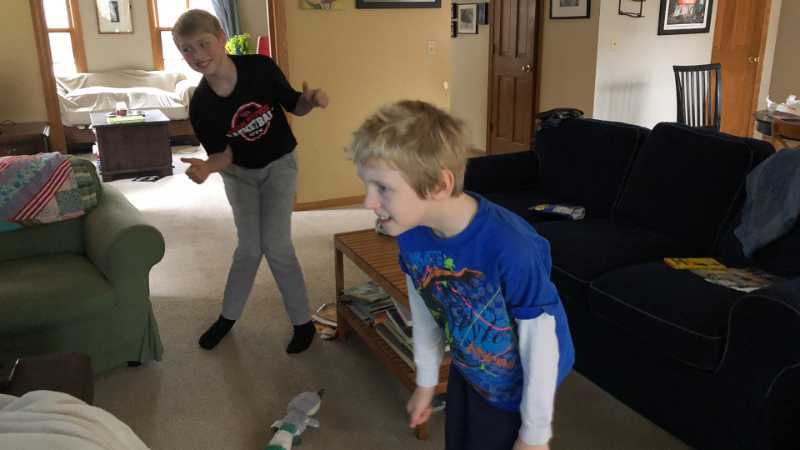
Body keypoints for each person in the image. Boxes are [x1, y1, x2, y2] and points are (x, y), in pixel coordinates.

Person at [349, 101, 575, 450]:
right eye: (367, 186)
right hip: (469, 367)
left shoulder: (512, 246)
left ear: (439, 185)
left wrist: (534, 434)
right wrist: (426, 381)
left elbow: (542, 343)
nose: (368, 202)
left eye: (383, 188)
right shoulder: (411, 234)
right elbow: (425, 308)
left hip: (519, 385)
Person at [172, 9, 329, 353]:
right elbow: (224, 155)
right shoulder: (201, 106)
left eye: (204, 43)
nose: (197, 55)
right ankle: (227, 317)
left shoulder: (260, 68)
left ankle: (303, 323)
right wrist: (207, 168)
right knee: (249, 249)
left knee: (276, 245)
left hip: (279, 165)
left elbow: (294, 105)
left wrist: (309, 101)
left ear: (222, 39)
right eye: (187, 49)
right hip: (239, 174)